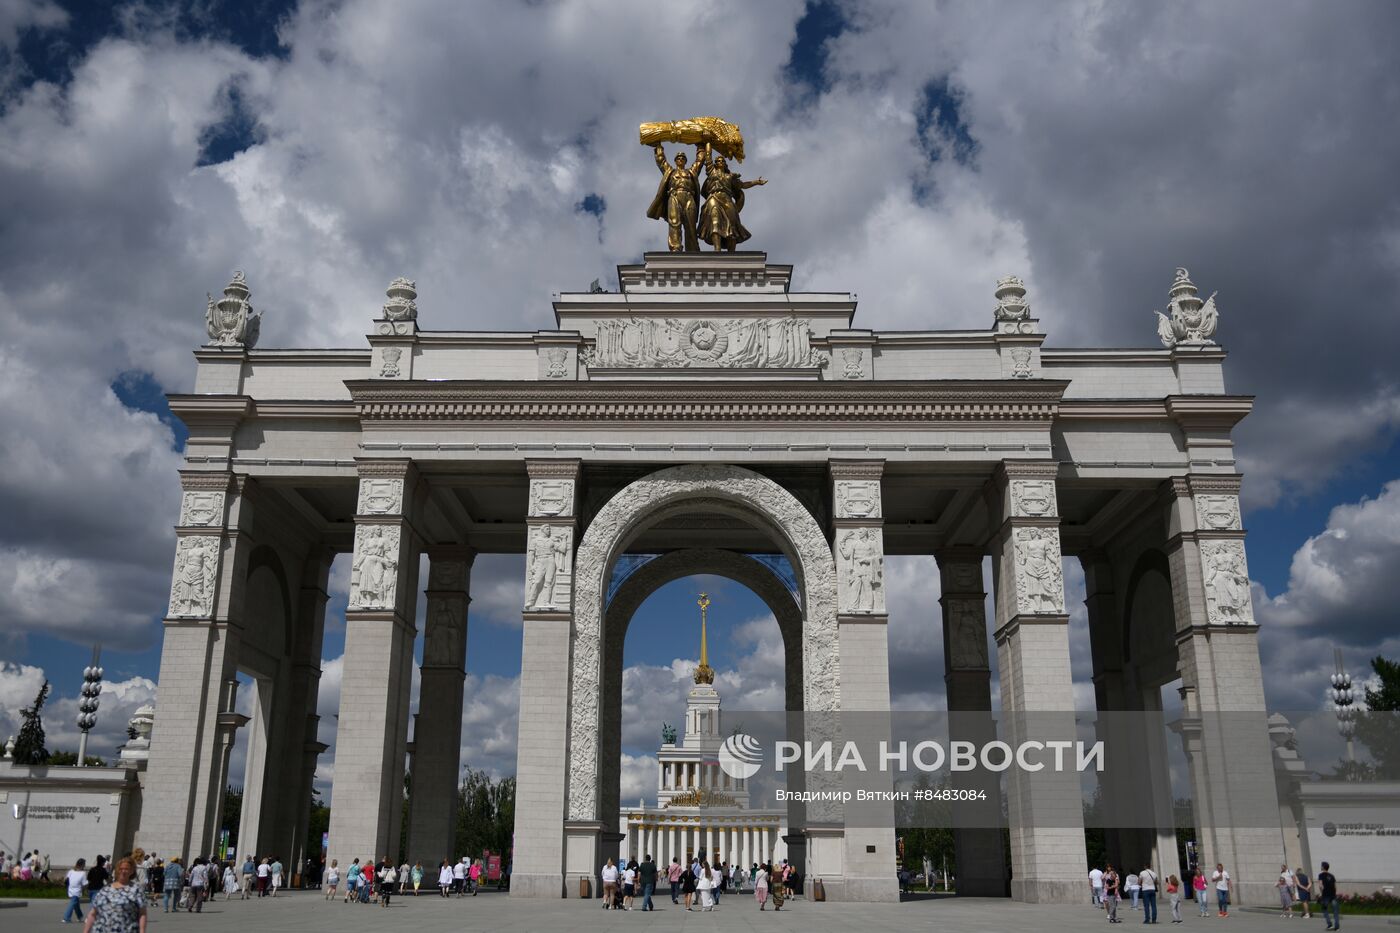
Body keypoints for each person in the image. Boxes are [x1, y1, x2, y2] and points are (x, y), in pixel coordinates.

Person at [81, 855, 146, 933]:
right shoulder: (105, 890)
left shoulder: (136, 890)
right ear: (116, 871)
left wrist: (142, 931)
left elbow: (142, 914)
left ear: (132, 871)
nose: (123, 871)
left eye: (126, 869)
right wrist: (86, 931)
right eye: (121, 869)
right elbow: (93, 914)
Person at [64, 857, 89, 924]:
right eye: (84, 864)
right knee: (72, 904)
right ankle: (66, 918)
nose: (85, 866)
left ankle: (80, 916)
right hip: (76, 890)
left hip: (72, 890)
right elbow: (85, 884)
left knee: (76, 904)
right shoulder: (83, 873)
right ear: (82, 865)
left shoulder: (71, 871)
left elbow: (66, 880)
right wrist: (86, 888)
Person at [1317, 861, 1339, 931]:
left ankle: (1329, 924)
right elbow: (1335, 886)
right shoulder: (1332, 876)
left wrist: (1321, 893)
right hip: (1333, 895)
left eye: (1321, 866)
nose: (1320, 867)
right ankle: (1337, 927)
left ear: (1323, 867)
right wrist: (1334, 894)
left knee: (1324, 909)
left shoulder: (1321, 875)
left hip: (1325, 895)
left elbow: (1320, 886)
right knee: (1335, 911)